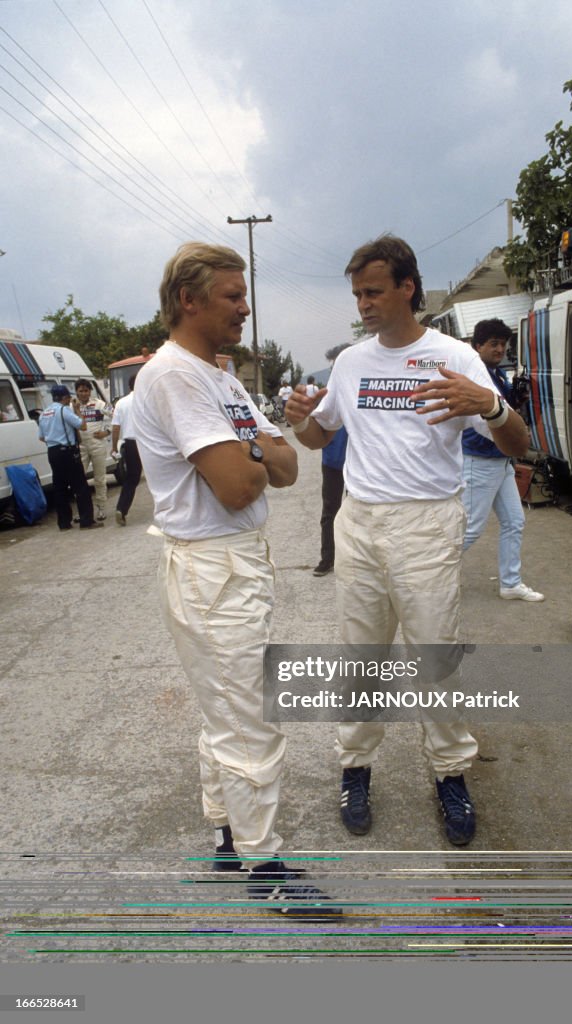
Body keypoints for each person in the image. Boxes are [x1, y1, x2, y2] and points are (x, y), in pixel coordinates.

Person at [285, 234, 529, 847]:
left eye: (373, 291)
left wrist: (492, 409)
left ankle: (449, 773)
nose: (363, 303)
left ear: (406, 288)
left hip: (426, 524)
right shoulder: (351, 362)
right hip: (361, 522)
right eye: (357, 294)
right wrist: (301, 421)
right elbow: (320, 440)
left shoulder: (454, 358)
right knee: (361, 655)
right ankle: (356, 767)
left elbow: (518, 446)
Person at [132, 242, 340, 916]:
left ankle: (226, 831)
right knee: (249, 720)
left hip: (234, 563)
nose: (245, 309)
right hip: (211, 565)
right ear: (187, 300)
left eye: (242, 295)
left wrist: (253, 448)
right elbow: (236, 484)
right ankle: (263, 865)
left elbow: (287, 468)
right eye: (231, 296)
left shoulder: (219, 377)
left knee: (224, 710)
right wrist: (255, 449)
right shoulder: (175, 378)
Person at [462, 319, 544, 602]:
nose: (500, 349)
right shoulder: (475, 376)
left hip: (501, 461)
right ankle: (423, 576)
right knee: (469, 529)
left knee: (514, 521)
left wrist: (514, 398)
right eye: (493, 344)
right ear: (478, 346)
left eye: (503, 344)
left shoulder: (496, 375)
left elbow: (502, 413)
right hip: (480, 459)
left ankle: (510, 583)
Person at [38, 384, 103, 531]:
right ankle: (86, 521)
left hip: (52, 452)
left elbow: (41, 437)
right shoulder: (64, 410)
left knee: (59, 488)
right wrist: (79, 411)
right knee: (80, 486)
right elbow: (83, 426)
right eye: (68, 397)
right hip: (67, 451)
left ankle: (64, 523)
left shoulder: (44, 413)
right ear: (65, 397)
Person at [74, 379, 110, 521]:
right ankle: (82, 511)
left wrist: (106, 432)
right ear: (76, 391)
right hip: (81, 446)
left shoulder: (99, 404)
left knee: (99, 479)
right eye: (80, 391)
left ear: (90, 391)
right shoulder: (72, 406)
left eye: (86, 390)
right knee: (79, 480)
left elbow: (117, 416)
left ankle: (101, 508)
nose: (83, 393)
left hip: (97, 444)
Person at [313, 425, 347, 577]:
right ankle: (328, 558)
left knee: (360, 512)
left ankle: (357, 558)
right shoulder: (329, 401)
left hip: (359, 463)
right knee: (330, 511)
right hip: (332, 462)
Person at [111, 375, 142, 526]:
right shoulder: (146, 399)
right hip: (148, 442)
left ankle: (121, 509)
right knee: (159, 474)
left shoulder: (121, 403)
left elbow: (115, 427)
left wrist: (113, 447)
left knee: (132, 478)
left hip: (130, 443)